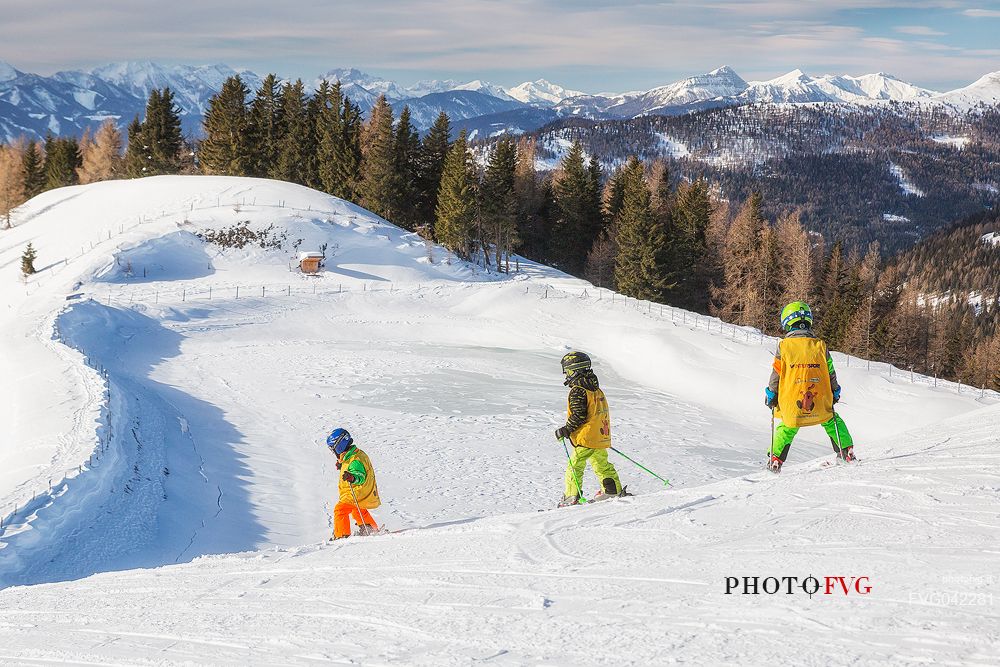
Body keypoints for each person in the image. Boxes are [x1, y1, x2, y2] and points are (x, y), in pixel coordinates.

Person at [765, 302, 856, 473]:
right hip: (820, 397)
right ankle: (846, 451)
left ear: (787, 322)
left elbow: (776, 373)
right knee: (832, 420)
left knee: (787, 427)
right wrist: (835, 390)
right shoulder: (820, 345)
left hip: (793, 400)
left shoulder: (784, 346)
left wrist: (771, 393)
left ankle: (775, 460)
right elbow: (830, 371)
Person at [554, 351, 627, 506]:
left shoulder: (578, 390)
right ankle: (612, 491)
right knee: (601, 464)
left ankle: (571, 497)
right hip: (600, 436)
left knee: (575, 466)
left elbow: (579, 415)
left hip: (587, 437)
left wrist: (566, 429)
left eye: (568, 372)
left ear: (576, 370)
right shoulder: (595, 388)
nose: (567, 375)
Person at [326, 428, 381, 539]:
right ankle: (370, 529)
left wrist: (352, 477)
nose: (333, 452)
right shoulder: (354, 455)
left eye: (333, 449)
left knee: (340, 510)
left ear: (340, 445)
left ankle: (341, 535)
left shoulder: (355, 460)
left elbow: (360, 476)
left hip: (356, 491)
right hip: (362, 491)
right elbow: (351, 464)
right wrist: (343, 465)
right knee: (357, 509)